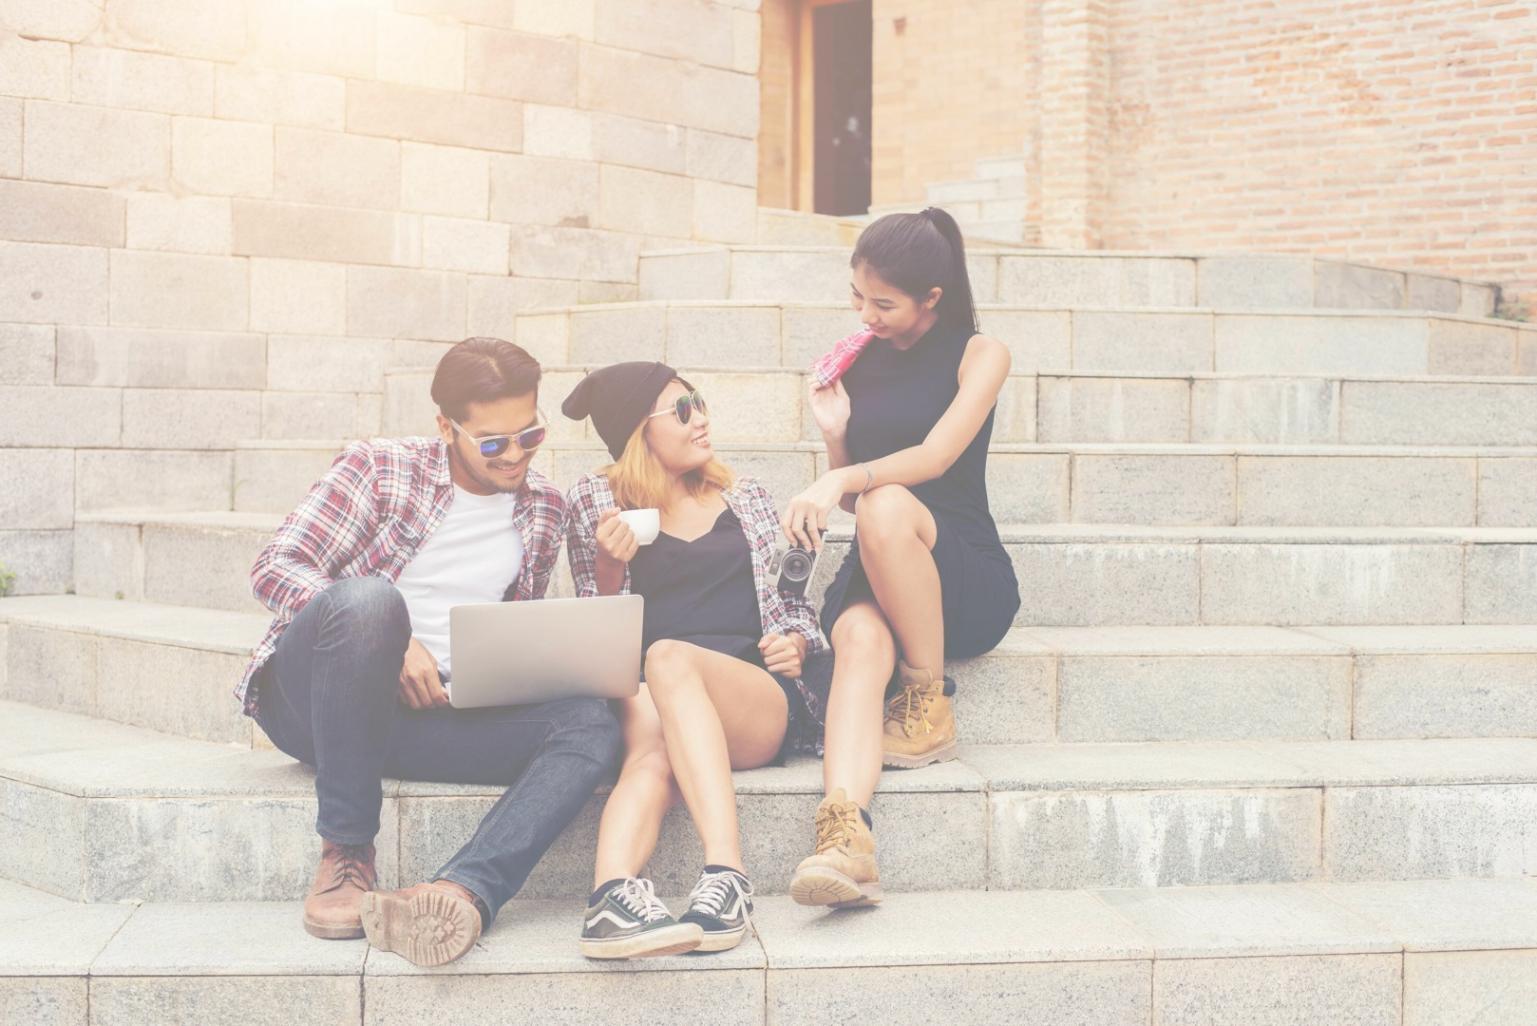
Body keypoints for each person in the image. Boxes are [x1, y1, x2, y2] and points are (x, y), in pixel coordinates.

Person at [240, 337, 621, 966]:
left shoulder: (544, 507)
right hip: (318, 702)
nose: (515, 456)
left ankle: (462, 890)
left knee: (588, 724)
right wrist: (392, 643)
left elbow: (529, 631)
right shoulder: (381, 468)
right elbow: (276, 567)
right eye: (493, 443)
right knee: (370, 603)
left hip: (429, 710)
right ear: (446, 427)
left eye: (530, 436)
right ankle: (346, 852)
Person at [780, 207, 1020, 909]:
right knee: (854, 636)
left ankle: (926, 695)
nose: (865, 314)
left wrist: (841, 478)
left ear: (931, 298)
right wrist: (834, 440)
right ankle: (844, 838)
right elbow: (857, 502)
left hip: (959, 569)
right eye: (857, 296)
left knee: (886, 506)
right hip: (884, 556)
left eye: (882, 302)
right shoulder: (859, 356)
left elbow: (935, 458)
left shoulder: (980, 354)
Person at [562, 362, 829, 958]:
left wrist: (798, 641)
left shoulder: (745, 495)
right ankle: (609, 899)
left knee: (669, 658)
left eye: (700, 403)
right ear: (639, 432)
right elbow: (597, 630)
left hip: (749, 693)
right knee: (652, 745)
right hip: (653, 695)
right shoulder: (595, 501)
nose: (702, 418)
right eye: (682, 411)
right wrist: (609, 566)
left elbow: (792, 604)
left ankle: (726, 876)